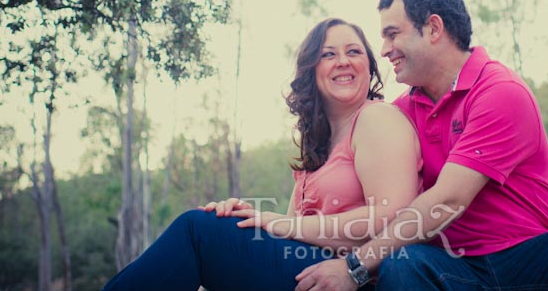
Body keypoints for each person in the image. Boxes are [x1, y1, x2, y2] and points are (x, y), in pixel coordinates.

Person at [295, 0, 548, 291]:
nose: (384, 49)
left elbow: (448, 200)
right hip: (453, 264)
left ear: (433, 29)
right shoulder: (400, 113)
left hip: (527, 254)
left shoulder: (499, 91)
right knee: (404, 266)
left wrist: (353, 268)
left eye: (392, 34)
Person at [101, 17, 421, 291]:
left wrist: (277, 224)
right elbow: (293, 231)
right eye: (328, 54)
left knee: (197, 231)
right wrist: (246, 220)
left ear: (369, 65)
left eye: (354, 51)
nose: (343, 61)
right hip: (308, 268)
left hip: (356, 277)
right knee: (212, 224)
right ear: (311, 71)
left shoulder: (377, 119)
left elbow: (392, 216)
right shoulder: (317, 143)